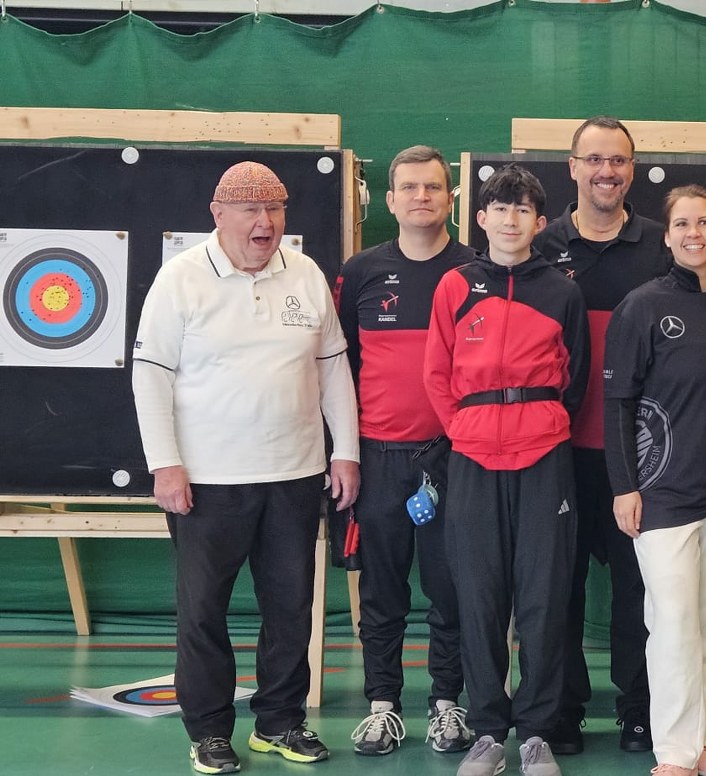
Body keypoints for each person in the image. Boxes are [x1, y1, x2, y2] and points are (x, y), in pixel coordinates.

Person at [132, 160, 359, 774]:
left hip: (295, 475)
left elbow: (333, 368)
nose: (265, 222)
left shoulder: (306, 274)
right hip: (207, 483)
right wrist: (165, 464)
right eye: (250, 210)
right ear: (219, 215)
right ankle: (208, 731)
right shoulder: (179, 278)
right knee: (203, 610)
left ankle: (280, 722)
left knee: (290, 606)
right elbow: (150, 375)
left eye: (275, 209)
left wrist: (345, 451)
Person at [423, 163, 590, 776]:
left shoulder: (562, 291)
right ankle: (490, 730)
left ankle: (537, 733)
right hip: (472, 458)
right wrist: (465, 429)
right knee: (479, 596)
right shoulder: (455, 286)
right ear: (482, 218)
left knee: (544, 596)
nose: (511, 219)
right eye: (500, 208)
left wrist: (541, 423)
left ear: (540, 223)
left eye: (523, 210)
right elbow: (436, 372)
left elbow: (575, 380)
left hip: (545, 457)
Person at [604, 185, 706, 776]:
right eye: (681, 224)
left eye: (704, 223)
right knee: (672, 625)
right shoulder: (641, 306)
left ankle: (694, 745)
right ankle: (673, 757)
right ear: (667, 236)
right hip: (663, 496)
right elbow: (617, 402)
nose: (693, 233)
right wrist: (624, 486)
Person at [532, 116, 669, 754]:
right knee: (555, 587)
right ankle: (561, 708)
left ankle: (639, 709)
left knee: (638, 591)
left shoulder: (662, 244)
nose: (606, 171)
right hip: (555, 453)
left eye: (618, 160)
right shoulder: (539, 244)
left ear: (631, 170)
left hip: (639, 458)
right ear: (573, 167)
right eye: (594, 159)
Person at [338, 145, 476, 758]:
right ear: (390, 201)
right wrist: (345, 451)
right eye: (410, 188)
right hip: (379, 458)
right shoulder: (361, 272)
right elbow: (339, 367)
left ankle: (447, 704)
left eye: (433, 187)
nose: (422, 197)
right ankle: (382, 706)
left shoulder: (474, 272)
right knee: (381, 592)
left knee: (453, 588)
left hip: (455, 458)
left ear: (451, 198)